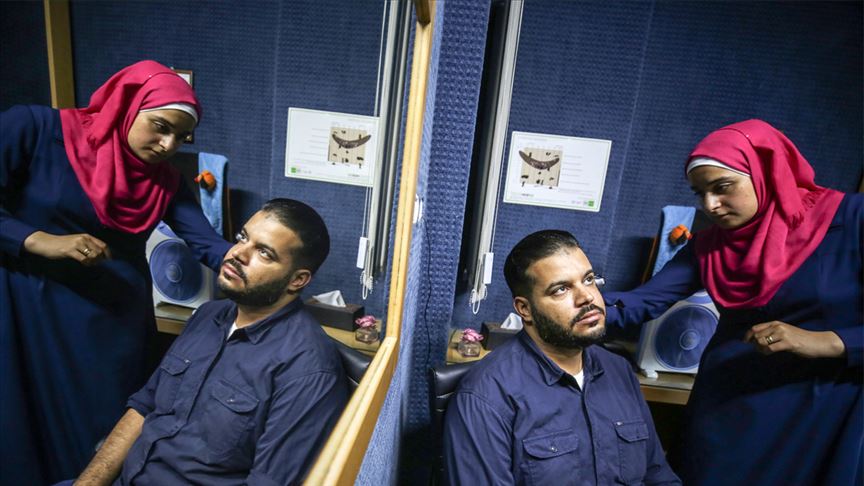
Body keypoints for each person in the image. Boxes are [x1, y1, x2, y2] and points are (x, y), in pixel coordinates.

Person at [0, 60, 232, 484]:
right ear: (127, 106)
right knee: (22, 426)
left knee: (102, 435)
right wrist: (37, 239)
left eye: (180, 137)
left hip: (109, 324)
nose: (168, 145)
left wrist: (264, 259)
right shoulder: (33, 129)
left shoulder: (165, 181)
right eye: (160, 127)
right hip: (28, 308)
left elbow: (206, 243)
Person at [603, 119, 862, 485]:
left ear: (766, 172)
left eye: (722, 187)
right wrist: (566, 303)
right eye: (700, 193)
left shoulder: (852, 219)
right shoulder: (709, 246)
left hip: (826, 408)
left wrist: (828, 341)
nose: (710, 205)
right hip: (731, 407)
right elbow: (640, 303)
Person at [72, 198, 348, 485]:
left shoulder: (308, 369)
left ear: (297, 280)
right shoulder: (208, 315)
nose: (238, 253)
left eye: (264, 253)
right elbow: (143, 408)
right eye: (242, 237)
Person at [443, 230, 681, 485]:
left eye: (588, 280)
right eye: (561, 289)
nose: (587, 297)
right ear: (525, 309)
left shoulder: (619, 371)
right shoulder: (486, 396)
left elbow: (659, 477)